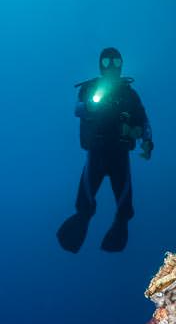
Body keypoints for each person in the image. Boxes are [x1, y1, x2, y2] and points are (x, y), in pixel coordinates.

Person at [57, 47, 153, 253]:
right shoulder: (89, 88)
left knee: (124, 198)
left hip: (120, 152)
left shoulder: (130, 94)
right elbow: (78, 109)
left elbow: (143, 120)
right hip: (97, 150)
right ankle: (80, 223)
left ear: (121, 65)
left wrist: (147, 141)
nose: (112, 66)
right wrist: (92, 105)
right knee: (86, 197)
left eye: (116, 62)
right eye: (107, 62)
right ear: (101, 65)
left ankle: (120, 226)